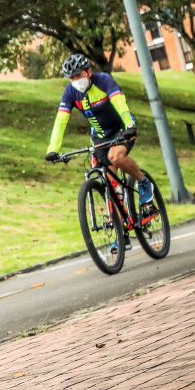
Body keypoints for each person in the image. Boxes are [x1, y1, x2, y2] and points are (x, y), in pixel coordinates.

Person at [45, 53, 154, 249]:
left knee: (116, 156)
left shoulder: (104, 80)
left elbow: (120, 103)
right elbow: (60, 121)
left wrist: (129, 125)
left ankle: (143, 182)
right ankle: (123, 235)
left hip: (122, 127)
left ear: (88, 71)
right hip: (100, 136)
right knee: (110, 183)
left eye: (78, 76)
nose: (75, 81)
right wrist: (53, 149)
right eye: (72, 78)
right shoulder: (70, 93)